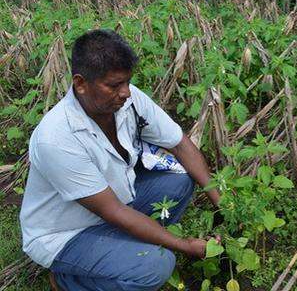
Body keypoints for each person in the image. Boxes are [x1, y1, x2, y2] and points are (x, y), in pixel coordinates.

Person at [19, 30, 221, 290]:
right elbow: (113, 211)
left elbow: (181, 145)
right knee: (156, 266)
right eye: (114, 85)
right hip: (67, 233)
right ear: (80, 84)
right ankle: (68, 279)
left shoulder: (129, 101)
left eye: (127, 82)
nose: (125, 92)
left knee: (180, 181)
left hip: (115, 204)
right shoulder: (57, 137)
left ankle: (125, 247)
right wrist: (184, 245)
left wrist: (221, 202)